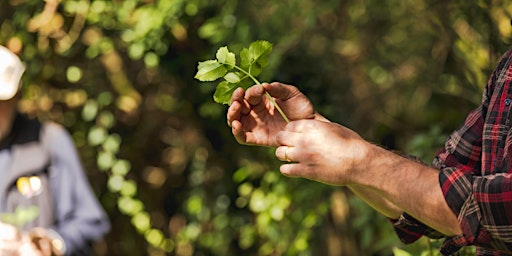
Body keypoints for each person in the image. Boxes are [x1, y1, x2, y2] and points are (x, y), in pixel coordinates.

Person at [227, 48, 512, 255]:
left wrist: (360, 161)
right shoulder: (507, 70)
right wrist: (315, 132)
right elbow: (434, 196)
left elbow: (493, 212)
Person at [0, 45, 110, 255]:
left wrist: (51, 244)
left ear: (16, 97)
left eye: (0, 102)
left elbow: (91, 222)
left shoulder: (49, 141)